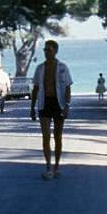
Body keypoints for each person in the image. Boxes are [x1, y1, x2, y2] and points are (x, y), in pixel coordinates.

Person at [30, 40, 73, 179]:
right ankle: (48, 167)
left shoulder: (63, 67)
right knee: (46, 136)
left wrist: (67, 105)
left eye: (49, 50)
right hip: (44, 103)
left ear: (55, 51)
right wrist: (32, 108)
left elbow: (67, 87)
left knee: (58, 136)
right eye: (45, 50)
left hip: (58, 104)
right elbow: (36, 88)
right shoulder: (40, 68)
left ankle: (56, 167)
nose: (46, 52)